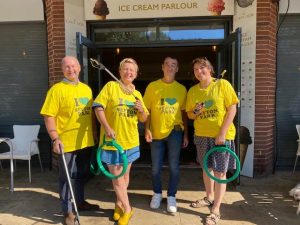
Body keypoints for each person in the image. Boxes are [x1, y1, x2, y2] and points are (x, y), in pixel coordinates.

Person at [40, 56, 99, 225]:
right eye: (66, 66)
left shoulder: (86, 89)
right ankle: (67, 212)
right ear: (62, 69)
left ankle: (79, 202)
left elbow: (90, 115)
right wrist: (55, 138)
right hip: (66, 142)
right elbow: (48, 115)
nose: (70, 69)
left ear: (80, 68)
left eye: (73, 66)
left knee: (81, 175)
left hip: (85, 141)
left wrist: (94, 131)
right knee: (66, 178)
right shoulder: (56, 90)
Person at [93, 58, 148, 225]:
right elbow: (97, 107)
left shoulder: (137, 94)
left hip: (130, 141)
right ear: (120, 71)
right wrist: (107, 127)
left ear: (136, 74)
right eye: (125, 69)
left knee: (124, 177)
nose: (128, 72)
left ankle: (118, 205)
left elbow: (144, 118)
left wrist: (141, 110)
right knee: (117, 179)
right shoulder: (111, 87)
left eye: (132, 70)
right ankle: (128, 209)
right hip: (112, 142)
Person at [186, 57, 239, 225]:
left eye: (202, 68)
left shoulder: (222, 85)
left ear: (210, 69)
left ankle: (216, 208)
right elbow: (189, 115)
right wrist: (195, 110)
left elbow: (232, 108)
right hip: (201, 135)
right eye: (195, 69)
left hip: (221, 137)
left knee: (220, 173)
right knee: (206, 168)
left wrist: (222, 133)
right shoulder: (193, 91)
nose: (199, 71)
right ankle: (209, 197)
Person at [143, 56, 188, 213]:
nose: (170, 67)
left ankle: (171, 196)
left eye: (173, 65)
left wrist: (186, 135)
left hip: (175, 132)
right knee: (155, 167)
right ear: (162, 67)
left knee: (174, 166)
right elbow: (146, 110)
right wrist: (147, 129)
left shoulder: (181, 89)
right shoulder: (152, 86)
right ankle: (156, 193)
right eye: (167, 64)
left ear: (177, 68)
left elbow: (184, 114)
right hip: (156, 133)